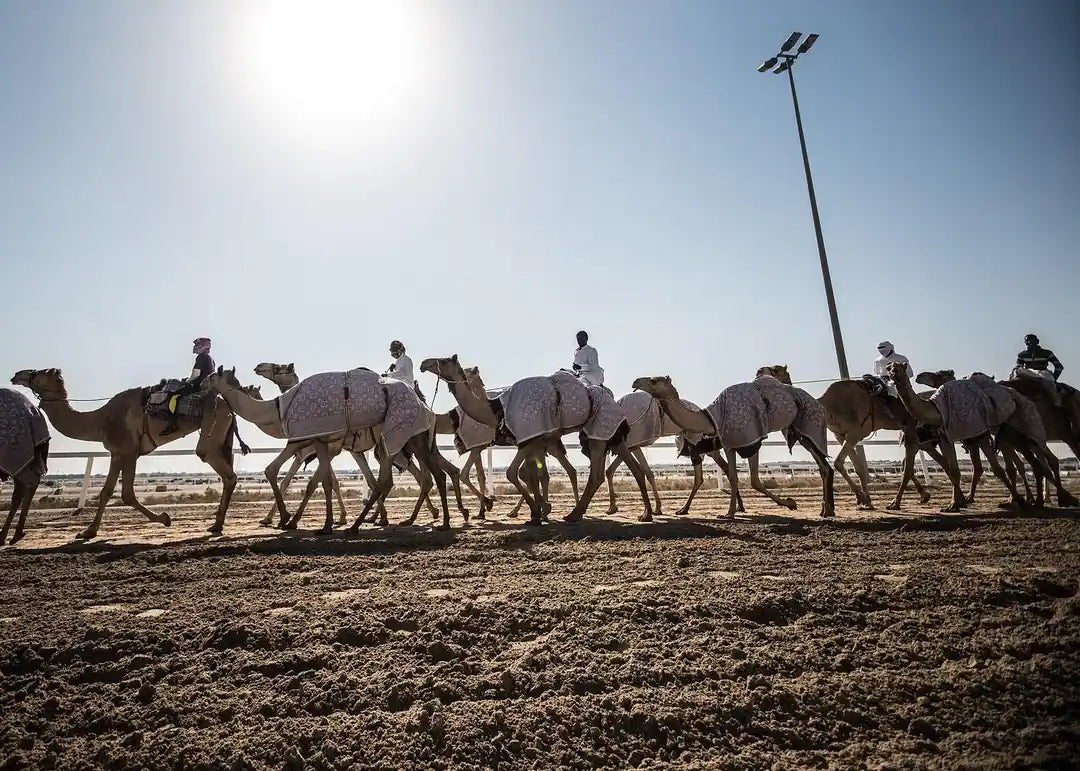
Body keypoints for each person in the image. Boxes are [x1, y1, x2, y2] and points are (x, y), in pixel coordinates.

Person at [161, 337, 215, 436]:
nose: (196, 347)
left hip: (197, 385)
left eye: (197, 345)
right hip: (206, 386)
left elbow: (196, 374)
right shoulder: (210, 359)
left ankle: (172, 424)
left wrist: (187, 382)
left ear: (202, 346)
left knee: (173, 396)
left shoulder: (201, 357)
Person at [1015, 333, 1063, 407]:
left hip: (1043, 373)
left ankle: (1057, 403)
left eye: (1032, 341)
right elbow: (1019, 368)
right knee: (1016, 372)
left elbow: (1059, 367)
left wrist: (1054, 379)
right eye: (1028, 342)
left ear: (1037, 342)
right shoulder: (1022, 355)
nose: (1030, 344)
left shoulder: (1047, 353)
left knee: (1050, 386)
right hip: (1029, 373)